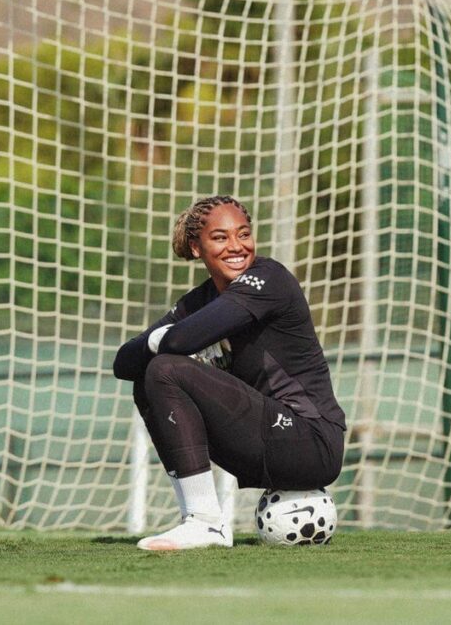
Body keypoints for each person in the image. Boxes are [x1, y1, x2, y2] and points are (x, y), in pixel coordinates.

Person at [113, 195, 346, 550]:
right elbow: (123, 363)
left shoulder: (269, 280)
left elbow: (184, 338)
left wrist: (164, 339)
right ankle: (202, 517)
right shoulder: (200, 301)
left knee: (164, 367)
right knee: (150, 378)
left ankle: (206, 524)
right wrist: (166, 338)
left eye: (244, 234)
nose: (236, 247)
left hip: (311, 441)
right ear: (196, 248)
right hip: (262, 440)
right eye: (220, 238)